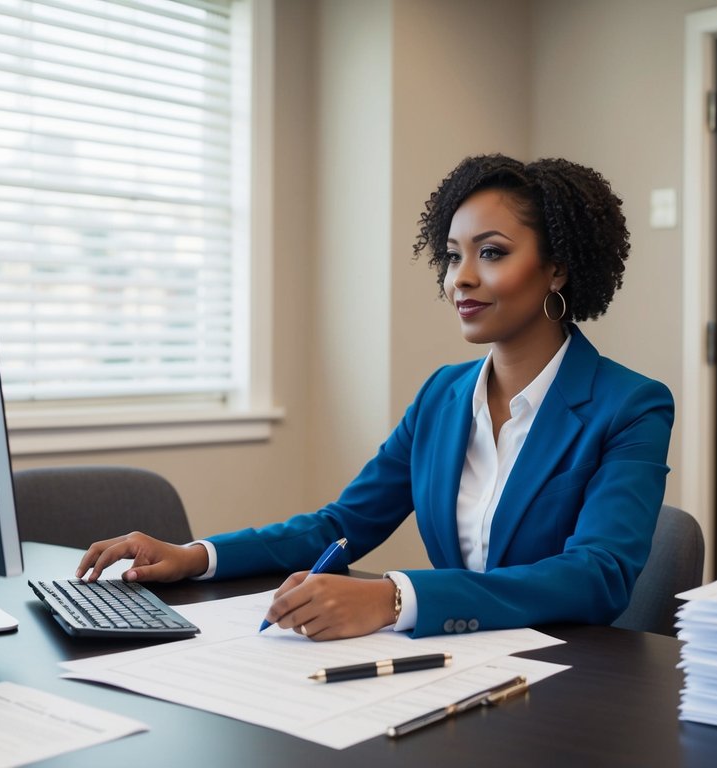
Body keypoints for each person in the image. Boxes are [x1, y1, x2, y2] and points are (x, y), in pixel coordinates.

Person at [77, 154, 675, 640]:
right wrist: (194, 555)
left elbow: (597, 575)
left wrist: (394, 598)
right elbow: (341, 525)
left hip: (569, 683)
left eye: (490, 252)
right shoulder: (443, 396)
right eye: (451, 255)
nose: (459, 278)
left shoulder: (631, 405)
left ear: (558, 270)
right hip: (453, 664)